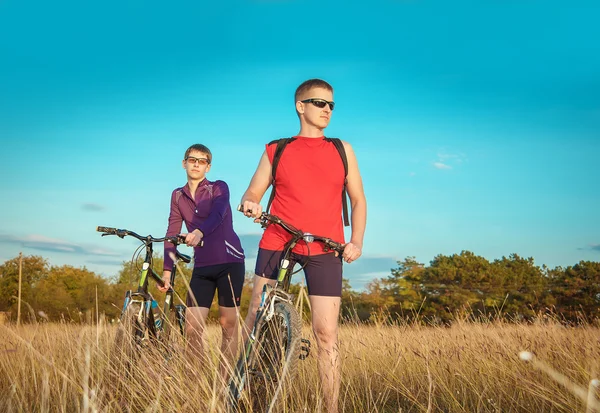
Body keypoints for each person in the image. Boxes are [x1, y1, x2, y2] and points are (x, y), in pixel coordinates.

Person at [239, 79, 367, 412]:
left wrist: (356, 241)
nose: (327, 110)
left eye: (331, 105)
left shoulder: (342, 149)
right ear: (301, 106)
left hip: (326, 248)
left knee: (326, 333)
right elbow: (253, 191)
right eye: (319, 103)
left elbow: (358, 199)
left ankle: (331, 407)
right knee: (255, 318)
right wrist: (251, 202)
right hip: (278, 239)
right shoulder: (277, 148)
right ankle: (240, 389)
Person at [159, 143, 245, 378]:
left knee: (228, 325)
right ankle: (195, 382)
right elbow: (172, 230)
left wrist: (199, 232)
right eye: (192, 159)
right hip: (203, 267)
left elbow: (218, 213)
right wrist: (167, 269)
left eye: (202, 160)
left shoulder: (219, 187)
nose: (196, 164)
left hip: (229, 262)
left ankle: (225, 382)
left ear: (208, 166)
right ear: (184, 163)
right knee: (192, 328)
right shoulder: (177, 195)